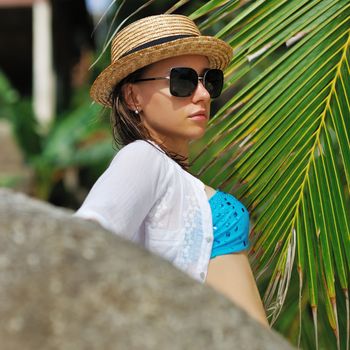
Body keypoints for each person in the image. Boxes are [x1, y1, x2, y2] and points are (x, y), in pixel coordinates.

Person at [75, 14, 268, 326]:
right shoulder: (142, 157)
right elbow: (83, 240)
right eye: (183, 81)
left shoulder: (173, 177)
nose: (203, 94)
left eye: (209, 80)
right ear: (132, 95)